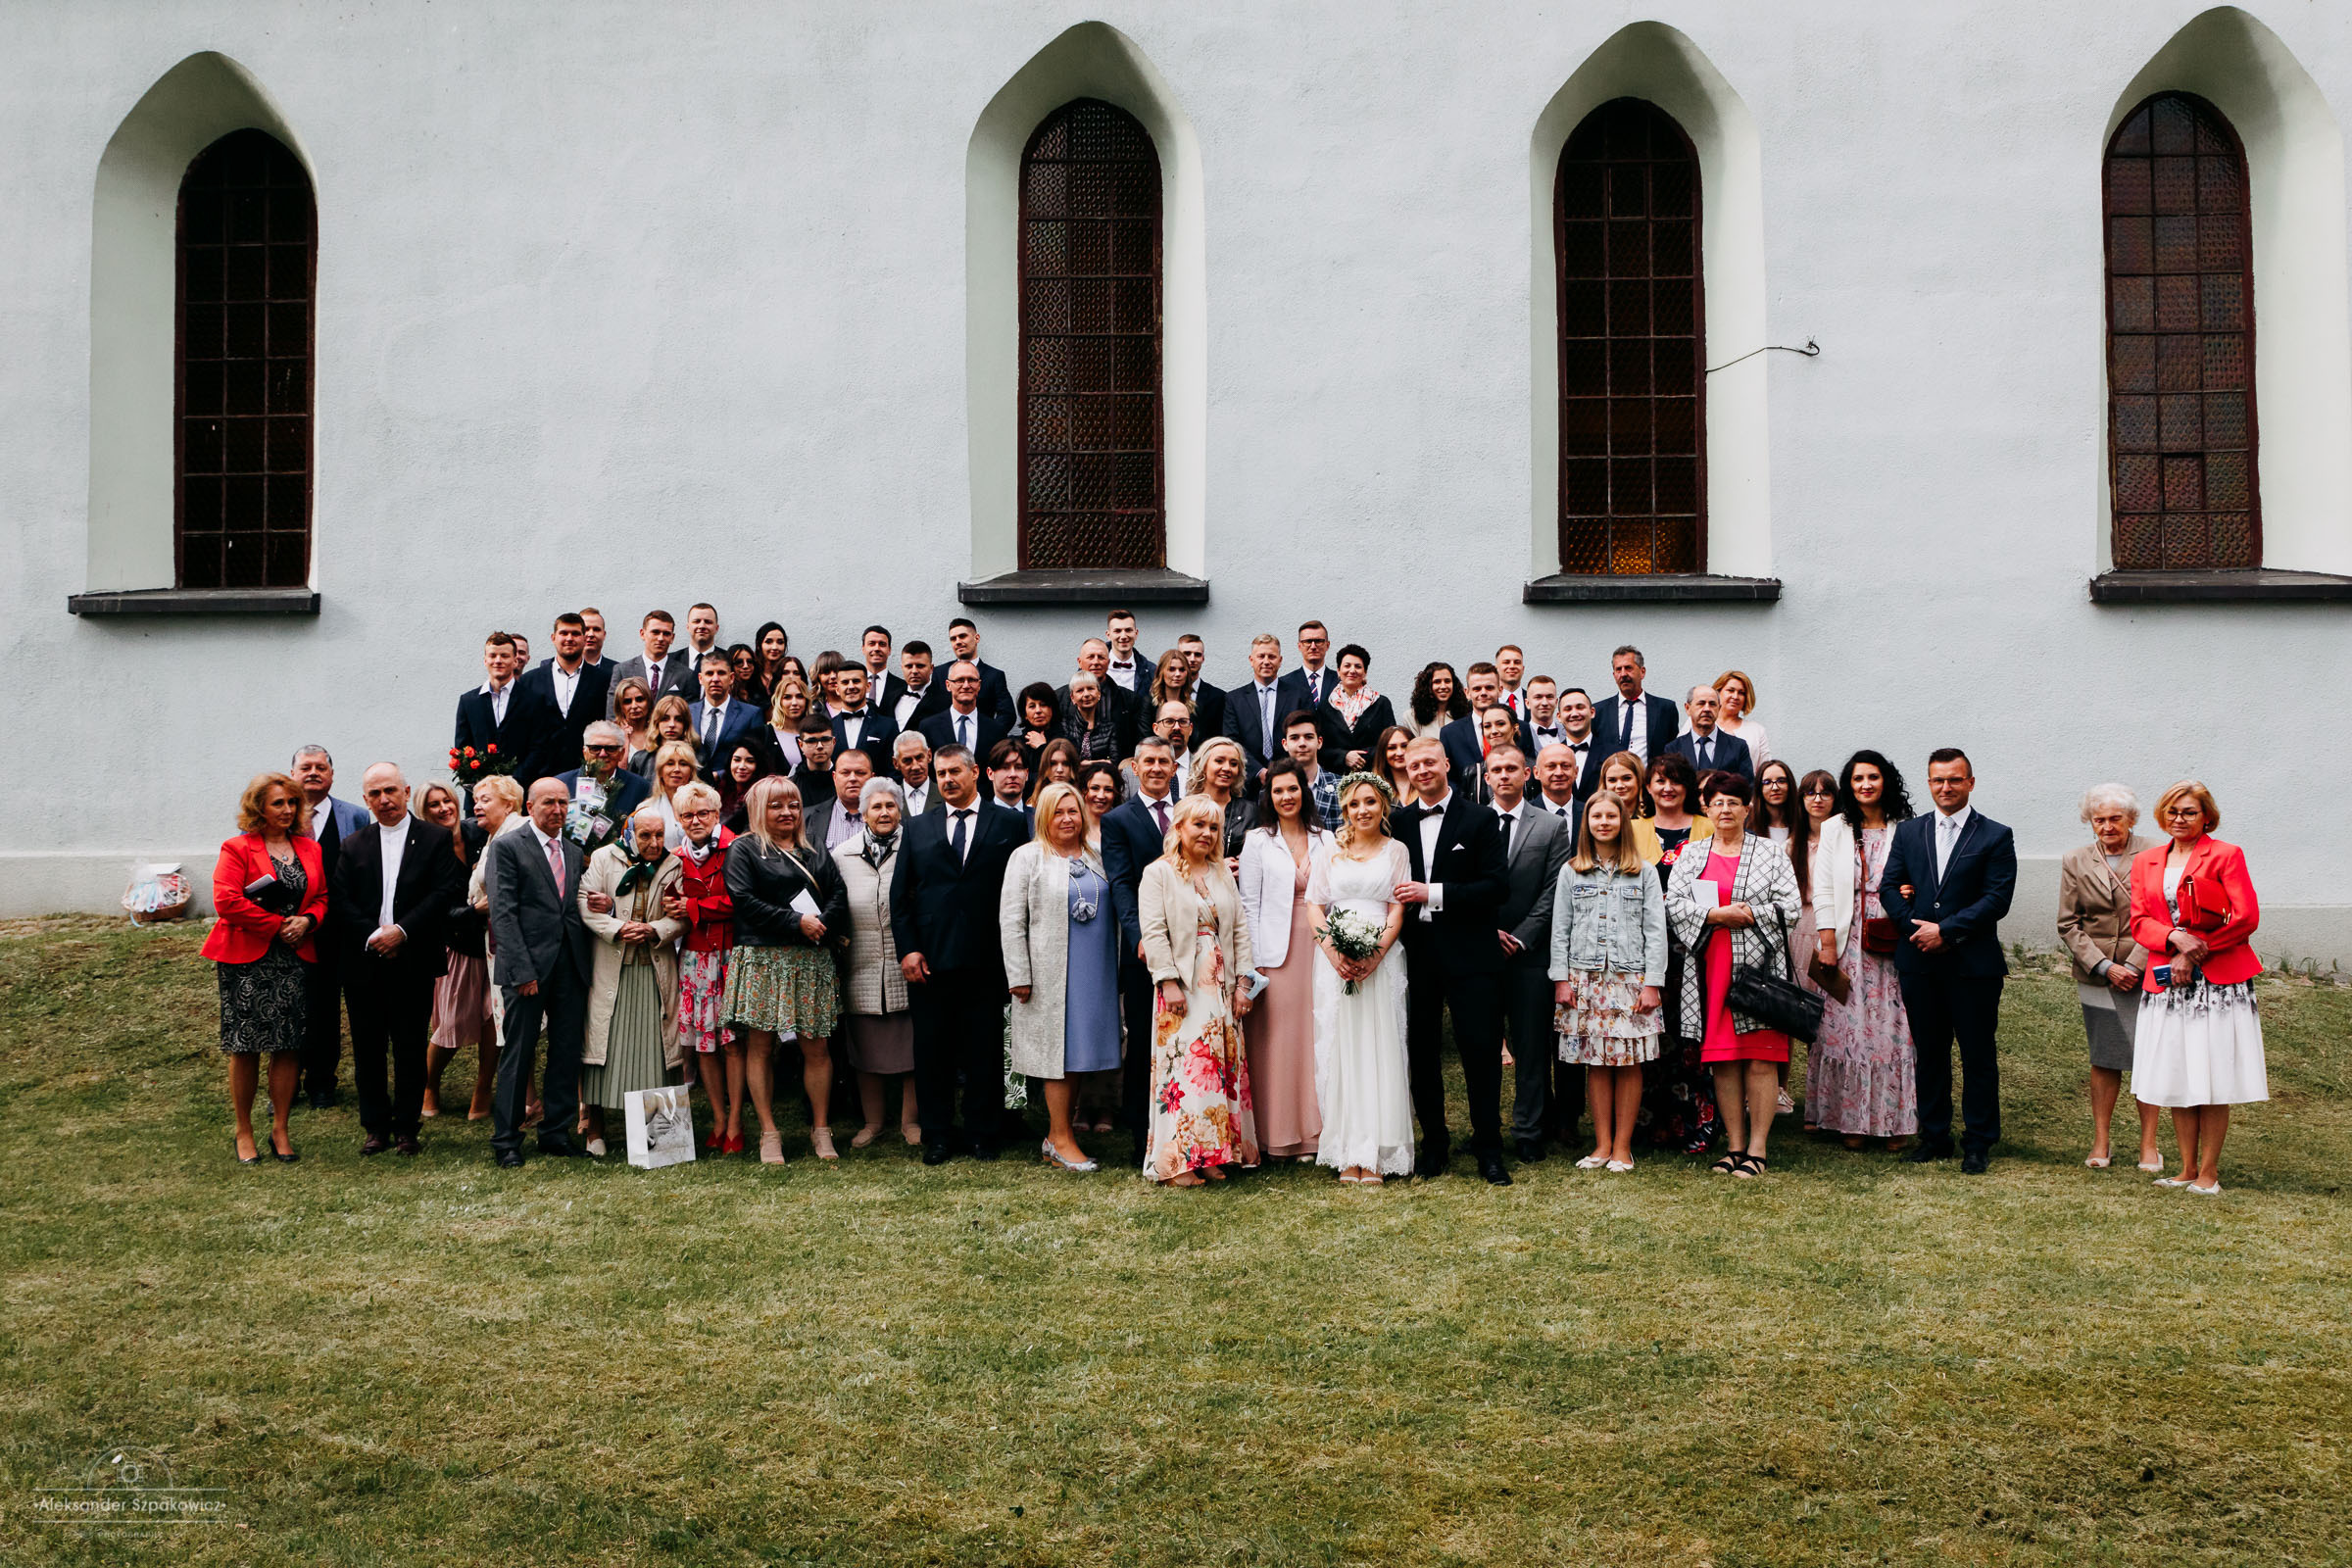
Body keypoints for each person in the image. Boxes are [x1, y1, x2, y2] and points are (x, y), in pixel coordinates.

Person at [1881, 749, 2018, 1174]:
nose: (1946, 787)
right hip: (1919, 961)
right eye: (1938, 780)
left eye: (1955, 780)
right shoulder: (1909, 831)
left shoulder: (1995, 835)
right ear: (1929, 783)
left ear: (1970, 782)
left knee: (1977, 1054)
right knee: (1930, 1052)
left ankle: (1978, 1141)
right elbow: (1888, 886)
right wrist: (1914, 930)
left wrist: (1947, 930)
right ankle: (1934, 1136)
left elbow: (1997, 899)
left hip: (1972, 964)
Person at [892, 743, 1031, 1164]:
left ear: (976, 772)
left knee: (984, 1050)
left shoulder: (1009, 823)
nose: (947, 780)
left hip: (990, 958)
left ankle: (982, 1132)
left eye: (955, 771)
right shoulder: (917, 827)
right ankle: (937, 1134)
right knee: (932, 1051)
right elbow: (901, 896)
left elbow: (1022, 894)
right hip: (931, 960)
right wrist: (909, 949)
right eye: (941, 774)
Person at [2130, 781, 2266, 1197]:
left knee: (2211, 1073)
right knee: (2178, 1070)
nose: (2179, 819)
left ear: (2207, 816)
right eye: (2172, 811)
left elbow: (2245, 918)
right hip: (2167, 982)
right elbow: (2139, 920)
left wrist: (2194, 952)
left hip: (2217, 983)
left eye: (2189, 812)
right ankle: (2186, 1168)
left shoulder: (2226, 854)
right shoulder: (2147, 861)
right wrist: (2174, 938)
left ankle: (2209, 1172)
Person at [1666, 773, 1802, 1179]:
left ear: (1748, 808)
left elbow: (1790, 907)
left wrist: (1748, 914)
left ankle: (1758, 1149)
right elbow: (1673, 903)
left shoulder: (1771, 854)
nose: (1725, 809)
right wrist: (1713, 915)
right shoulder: (1690, 854)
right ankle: (1734, 1146)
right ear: (1705, 809)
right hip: (1710, 970)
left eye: (1733, 802)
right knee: (1723, 1061)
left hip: (1759, 972)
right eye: (1717, 802)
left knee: (1761, 1059)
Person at [1393, 737, 1512, 1183]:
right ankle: (1434, 1145)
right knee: (1421, 1053)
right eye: (1413, 764)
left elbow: (1497, 888)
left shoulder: (1481, 819)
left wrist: (1434, 893)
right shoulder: (1397, 822)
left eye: (1430, 762)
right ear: (1405, 769)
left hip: (1472, 953)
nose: (1422, 769)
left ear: (1446, 764)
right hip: (1415, 954)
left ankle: (1489, 1148)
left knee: (1480, 1053)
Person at [334, 762, 464, 1157]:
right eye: (375, 794)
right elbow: (341, 900)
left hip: (414, 958)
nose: (384, 800)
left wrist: (401, 931)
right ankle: (375, 1127)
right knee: (368, 1049)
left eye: (390, 791)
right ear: (365, 800)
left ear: (407, 792)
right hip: (366, 961)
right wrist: (374, 935)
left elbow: (444, 893)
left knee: (409, 1047)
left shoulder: (434, 839)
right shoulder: (353, 844)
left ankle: (407, 1126)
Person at [722, 776, 849, 1164]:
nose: (787, 812)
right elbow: (743, 900)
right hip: (763, 957)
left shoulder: (814, 850)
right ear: (760, 809)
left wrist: (821, 922)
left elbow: (839, 893)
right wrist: (797, 923)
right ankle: (769, 1132)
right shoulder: (743, 849)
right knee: (760, 1046)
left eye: (793, 805)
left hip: (809, 958)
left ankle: (822, 1129)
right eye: (777, 806)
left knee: (817, 1046)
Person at [205, 771, 327, 1163]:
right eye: (279, 803)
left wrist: (307, 921)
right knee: (245, 1047)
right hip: (247, 959)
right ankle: (244, 1131)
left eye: (293, 803)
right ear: (259, 807)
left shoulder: (310, 848)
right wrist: (278, 927)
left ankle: (280, 1129)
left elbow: (321, 896)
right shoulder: (237, 847)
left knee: (289, 1044)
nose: (288, 810)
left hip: (294, 958)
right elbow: (226, 901)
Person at [1139, 794, 1260, 1185]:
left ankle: (1210, 1155)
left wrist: (1244, 983)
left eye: (1213, 827)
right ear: (1179, 828)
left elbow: (1240, 929)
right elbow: (1154, 932)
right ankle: (1177, 1163)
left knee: (1218, 1071)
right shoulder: (1158, 874)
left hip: (1222, 988)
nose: (1207, 833)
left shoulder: (1221, 873)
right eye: (1199, 825)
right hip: (1184, 987)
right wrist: (1168, 981)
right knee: (1186, 1071)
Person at [1002, 781, 1122, 1173]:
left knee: (1079, 1055)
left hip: (1095, 970)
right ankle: (1060, 1138)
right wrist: (1019, 973)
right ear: (1043, 817)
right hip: (1050, 971)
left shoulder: (1097, 856)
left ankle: (1059, 1136)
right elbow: (1011, 920)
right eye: (1058, 812)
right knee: (1057, 1055)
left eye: (1073, 811)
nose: (1067, 818)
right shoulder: (1027, 858)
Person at [1549, 789, 1668, 1171]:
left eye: (1611, 817)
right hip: (1584, 978)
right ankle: (1601, 1145)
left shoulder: (1644, 871)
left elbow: (1655, 929)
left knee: (1628, 1061)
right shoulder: (1572, 871)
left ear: (1624, 822)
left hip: (1629, 978)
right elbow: (1560, 930)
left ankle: (1622, 1147)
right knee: (1595, 1061)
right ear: (1587, 823)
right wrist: (1560, 980)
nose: (1604, 823)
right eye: (1596, 817)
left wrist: (1653, 982)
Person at [1305, 772, 1414, 1184]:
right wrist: (1334, 952)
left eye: (1369, 802)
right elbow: (1313, 904)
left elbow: (1397, 909)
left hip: (1381, 959)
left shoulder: (1396, 850)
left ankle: (1376, 1153)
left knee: (1379, 1046)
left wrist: (1375, 955)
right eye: (1353, 804)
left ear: (1382, 806)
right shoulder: (1329, 849)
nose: (1362, 810)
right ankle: (1347, 1149)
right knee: (1340, 1046)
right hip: (1334, 957)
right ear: (1345, 809)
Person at [1809, 752, 1918, 1149]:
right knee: (1846, 1030)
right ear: (1849, 785)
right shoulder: (1836, 827)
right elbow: (1822, 888)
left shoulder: (1905, 827)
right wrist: (1827, 943)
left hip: (1893, 934)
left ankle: (1895, 1121)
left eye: (1873, 777)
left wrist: (1910, 890)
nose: (1866, 785)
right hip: (1847, 936)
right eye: (1858, 779)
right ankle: (1849, 1121)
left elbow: (1922, 875)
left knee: (1894, 1030)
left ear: (1886, 780)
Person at [484, 777, 595, 1167]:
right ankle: (507, 1139)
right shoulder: (509, 847)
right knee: (519, 1052)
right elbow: (503, 913)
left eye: (564, 803)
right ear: (529, 807)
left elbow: (570, 907)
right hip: (526, 969)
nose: (558, 810)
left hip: (570, 967)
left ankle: (555, 1132)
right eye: (549, 802)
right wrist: (521, 970)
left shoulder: (573, 849)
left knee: (565, 1053)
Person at [2059, 784, 2159, 1172]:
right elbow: (2068, 922)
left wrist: (2133, 965)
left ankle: (2149, 1145)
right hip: (2097, 973)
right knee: (2104, 1057)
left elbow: (2163, 916)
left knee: (2147, 1056)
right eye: (2098, 819)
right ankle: (2101, 1141)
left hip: (2145, 970)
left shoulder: (2154, 853)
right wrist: (2103, 966)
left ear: (2131, 819)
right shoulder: (2076, 859)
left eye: (2115, 818)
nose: (2106, 826)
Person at [578, 806, 688, 1157]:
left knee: (657, 1052)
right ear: (629, 834)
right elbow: (584, 903)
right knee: (603, 1049)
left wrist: (655, 928)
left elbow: (684, 915)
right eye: (645, 836)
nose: (654, 843)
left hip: (654, 971)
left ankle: (662, 1140)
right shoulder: (603, 858)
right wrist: (618, 927)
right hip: (612, 969)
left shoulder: (674, 865)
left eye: (659, 835)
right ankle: (595, 1130)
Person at [1237, 759, 1331, 1163]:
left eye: (1292, 789)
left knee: (1315, 1038)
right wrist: (1254, 962)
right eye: (1278, 791)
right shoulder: (1257, 840)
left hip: (1320, 947)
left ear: (1303, 792)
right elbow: (1247, 903)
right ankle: (1276, 1137)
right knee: (1275, 1042)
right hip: (1274, 953)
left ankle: (1315, 1135)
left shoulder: (1326, 838)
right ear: (1269, 797)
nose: (1286, 797)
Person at [1487, 745, 1574, 1162]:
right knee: (1483, 1046)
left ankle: (1529, 1130)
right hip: (1481, 951)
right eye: (1495, 770)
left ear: (1527, 773)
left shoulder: (1551, 826)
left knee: (1532, 1046)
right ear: (1487, 777)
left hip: (1530, 952)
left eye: (1511, 769)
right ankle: (1486, 1129)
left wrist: (1519, 937)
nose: (1504, 776)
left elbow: (1554, 889)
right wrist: (1488, 935)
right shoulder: (1473, 821)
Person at [1102, 736, 1181, 1163]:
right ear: (1135, 766)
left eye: (1163, 761)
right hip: (1144, 953)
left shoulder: (1188, 813)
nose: (1155, 768)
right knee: (1145, 1040)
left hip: (1189, 947)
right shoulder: (1119, 820)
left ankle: (1183, 1125)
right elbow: (1121, 884)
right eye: (1147, 761)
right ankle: (1141, 1132)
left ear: (1173, 767)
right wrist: (1141, 939)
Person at [836, 777, 920, 1149]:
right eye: (876, 807)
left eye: (890, 806)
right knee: (865, 1049)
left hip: (908, 962)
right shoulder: (843, 854)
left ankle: (910, 1122)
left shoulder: (917, 847)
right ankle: (873, 1123)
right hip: (861, 962)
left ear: (900, 810)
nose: (884, 812)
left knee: (912, 1048)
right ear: (863, 812)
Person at [664, 780, 741, 1151]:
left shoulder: (737, 847)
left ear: (717, 814)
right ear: (679, 819)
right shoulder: (674, 858)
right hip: (695, 957)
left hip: (732, 953)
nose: (696, 820)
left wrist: (694, 909)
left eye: (703, 813)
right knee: (705, 1044)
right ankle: (718, 1117)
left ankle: (738, 1121)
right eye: (687, 815)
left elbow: (742, 900)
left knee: (734, 1043)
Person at [290, 744, 367, 1108]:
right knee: (291, 1007)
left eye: (321, 767)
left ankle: (322, 1081)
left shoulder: (354, 816)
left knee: (327, 1007)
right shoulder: (280, 816)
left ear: (332, 775)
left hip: (341, 930)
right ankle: (287, 1083)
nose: (313, 772)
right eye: (305, 767)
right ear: (293, 775)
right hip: (290, 931)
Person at [417, 781, 495, 1121]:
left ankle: (483, 1089)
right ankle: (429, 1085)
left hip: (494, 943)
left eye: (446, 800)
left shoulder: (478, 834)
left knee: (494, 1019)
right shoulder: (424, 849)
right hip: (456, 945)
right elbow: (432, 907)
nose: (444, 808)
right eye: (434, 804)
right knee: (451, 1023)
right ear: (424, 811)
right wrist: (472, 912)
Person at [1788, 766, 1848, 1128]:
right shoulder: (1790, 843)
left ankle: (1824, 1103)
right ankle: (1786, 1094)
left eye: (1826, 792)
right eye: (1811, 792)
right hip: (1798, 930)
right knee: (1796, 1014)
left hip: (1831, 929)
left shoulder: (1843, 840)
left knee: (1828, 1019)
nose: (1818, 798)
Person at [513, 612, 613, 783]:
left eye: (575, 633)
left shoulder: (603, 680)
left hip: (587, 775)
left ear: (583, 638)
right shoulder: (529, 681)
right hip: (538, 774)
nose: (569, 638)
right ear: (553, 637)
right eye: (564, 633)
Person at [454, 631, 542, 808]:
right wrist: (480, 787)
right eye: (492, 655)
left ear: (515, 660)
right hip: (478, 800)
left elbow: (538, 749)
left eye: (504, 655)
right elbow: (463, 748)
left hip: (519, 798)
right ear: (485, 660)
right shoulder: (468, 701)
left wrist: (512, 785)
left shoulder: (534, 700)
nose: (498, 660)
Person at [555, 721, 651, 854]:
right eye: (595, 748)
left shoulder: (640, 788)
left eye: (611, 748)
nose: (603, 754)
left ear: (622, 753)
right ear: (585, 752)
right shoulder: (561, 785)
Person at [1591, 644, 1679, 765]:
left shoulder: (1665, 709)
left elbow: (1672, 753)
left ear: (1642, 672)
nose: (1623, 674)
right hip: (1613, 782)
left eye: (1628, 668)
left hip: (1649, 781)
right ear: (1614, 675)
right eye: (1618, 669)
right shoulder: (1599, 711)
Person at [1318, 643, 1396, 774]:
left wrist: (1362, 757)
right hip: (1336, 776)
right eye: (1347, 666)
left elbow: (1390, 742)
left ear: (1365, 672)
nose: (1352, 670)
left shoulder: (1381, 703)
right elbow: (1321, 748)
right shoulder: (1326, 706)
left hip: (1374, 774)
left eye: (1358, 666)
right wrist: (1344, 757)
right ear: (1338, 670)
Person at [605, 609, 695, 717]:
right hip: (631, 733)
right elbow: (613, 714)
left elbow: (689, 716)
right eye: (655, 632)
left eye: (666, 634)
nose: (660, 638)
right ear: (642, 634)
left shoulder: (686, 675)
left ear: (672, 638)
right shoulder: (622, 670)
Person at [1223, 634, 1289, 779]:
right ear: (1251, 660)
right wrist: (1259, 771)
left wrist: (1282, 771)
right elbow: (1232, 741)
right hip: (1247, 780)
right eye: (1261, 656)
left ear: (1280, 660)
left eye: (1271, 657)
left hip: (1288, 776)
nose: (1266, 661)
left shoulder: (1298, 696)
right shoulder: (1234, 699)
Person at [922, 661, 1012, 762]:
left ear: (979, 685)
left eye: (971, 680)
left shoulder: (996, 730)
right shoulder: (929, 727)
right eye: (960, 680)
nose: (966, 685)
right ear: (948, 685)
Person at [1663, 684, 1753, 782]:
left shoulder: (1738, 747)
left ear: (1719, 708)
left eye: (1712, 704)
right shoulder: (1673, 749)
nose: (1707, 709)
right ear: (1688, 708)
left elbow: (1748, 787)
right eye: (1701, 703)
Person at [941, 616, 1018, 727]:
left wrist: (988, 737)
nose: (958, 642)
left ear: (976, 638)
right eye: (953, 639)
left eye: (962, 636)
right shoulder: (940, 673)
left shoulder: (994, 676)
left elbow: (1007, 714)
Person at [688, 651, 760, 769]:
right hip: (693, 784)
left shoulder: (751, 714)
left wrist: (720, 775)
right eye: (709, 674)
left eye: (721, 673)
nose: (715, 679)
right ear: (700, 678)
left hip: (730, 784)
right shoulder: (688, 712)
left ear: (731, 678)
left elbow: (756, 755)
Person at [1188, 736, 1255, 862]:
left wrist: (1244, 867)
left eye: (1234, 764)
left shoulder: (1251, 811)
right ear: (1203, 765)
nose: (1227, 768)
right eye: (1219, 761)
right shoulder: (1185, 808)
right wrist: (1220, 868)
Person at [828, 663, 900, 778]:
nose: (851, 686)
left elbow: (894, 771)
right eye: (845, 682)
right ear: (837, 689)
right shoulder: (828, 728)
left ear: (868, 686)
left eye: (856, 681)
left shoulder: (888, 726)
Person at [804, 747, 872, 852]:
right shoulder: (806, 818)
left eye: (860, 773)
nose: (852, 778)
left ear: (872, 778)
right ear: (834, 777)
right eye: (845, 773)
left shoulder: (888, 818)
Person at [1644, 753, 1711, 859]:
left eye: (1676, 781)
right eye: (1661, 781)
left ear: (1686, 786)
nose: (1668, 788)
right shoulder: (1632, 830)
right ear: (1649, 787)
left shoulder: (1710, 828)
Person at [1280, 710, 1341, 828]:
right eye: (1294, 738)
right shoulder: (1272, 790)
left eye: (1308, 737)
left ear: (1319, 742)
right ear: (1285, 744)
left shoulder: (1341, 787)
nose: (1302, 743)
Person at [1058, 671, 1126, 763]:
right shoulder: (1064, 726)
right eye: (1080, 690)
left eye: (1090, 689)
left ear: (1099, 694)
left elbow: (1114, 762)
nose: (1086, 694)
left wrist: (1085, 764)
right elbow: (1063, 762)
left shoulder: (1109, 728)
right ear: (1072, 698)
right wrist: (1100, 762)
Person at [754, 678, 812, 777]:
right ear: (778, 701)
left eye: (799, 696)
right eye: (787, 697)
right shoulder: (764, 734)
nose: (794, 702)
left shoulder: (815, 733)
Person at [1713, 669, 1770, 767]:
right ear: (1718, 692)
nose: (1735, 696)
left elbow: (1765, 769)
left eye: (1741, 693)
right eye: (1730, 690)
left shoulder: (1757, 731)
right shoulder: (1699, 724)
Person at [1278, 619, 1337, 712]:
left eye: (1318, 641)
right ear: (1299, 646)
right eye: (1308, 641)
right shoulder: (1284, 684)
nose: (1313, 646)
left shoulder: (1340, 682)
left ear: (1327, 645)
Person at [1408, 662, 1470, 742]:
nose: (1443, 686)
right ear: (1428, 686)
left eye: (1447, 681)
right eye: (1437, 682)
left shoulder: (1466, 713)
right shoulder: (1412, 716)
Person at [639, 694, 697, 780]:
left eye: (678, 720)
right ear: (656, 722)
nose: (672, 724)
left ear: (686, 724)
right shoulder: (641, 759)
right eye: (665, 719)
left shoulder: (698, 757)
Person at [715, 741, 767, 830]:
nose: (742, 766)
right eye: (737, 760)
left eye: (750, 761)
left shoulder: (763, 795)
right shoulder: (721, 789)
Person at [612, 677, 659, 772]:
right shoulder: (611, 733)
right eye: (627, 701)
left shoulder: (659, 731)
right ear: (620, 706)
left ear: (649, 702)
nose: (634, 706)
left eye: (639, 699)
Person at [986, 739, 1034, 827]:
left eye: (1018, 767)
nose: (1013, 774)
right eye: (1005, 767)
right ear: (990, 773)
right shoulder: (979, 819)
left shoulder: (1040, 818)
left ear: (1026, 774)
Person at [895, 731, 939, 816]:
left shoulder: (946, 796)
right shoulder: (890, 800)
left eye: (919, 758)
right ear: (896, 763)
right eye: (907, 760)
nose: (915, 767)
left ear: (929, 756)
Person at [1102, 609, 1147, 694]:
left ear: (1136, 633)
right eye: (1117, 631)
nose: (1123, 636)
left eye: (1128, 630)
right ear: (1108, 635)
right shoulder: (1092, 667)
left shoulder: (1151, 671)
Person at [1374, 724, 1417, 806]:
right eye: (1392, 748)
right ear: (1382, 752)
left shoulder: (1427, 783)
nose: (1399, 753)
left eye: (1404, 746)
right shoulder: (1374, 789)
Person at [752, 621, 793, 706]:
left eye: (780, 642)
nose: (774, 647)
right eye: (768, 642)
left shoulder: (790, 672)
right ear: (759, 645)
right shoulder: (751, 673)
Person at [728, 643, 765, 712]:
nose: (746, 666)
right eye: (739, 662)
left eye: (750, 662)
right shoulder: (726, 695)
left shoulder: (759, 692)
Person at [1494, 644, 1529, 718]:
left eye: (1517, 662)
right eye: (1506, 662)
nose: (1512, 666)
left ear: (1523, 669)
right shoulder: (1488, 700)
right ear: (1496, 669)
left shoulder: (1532, 700)